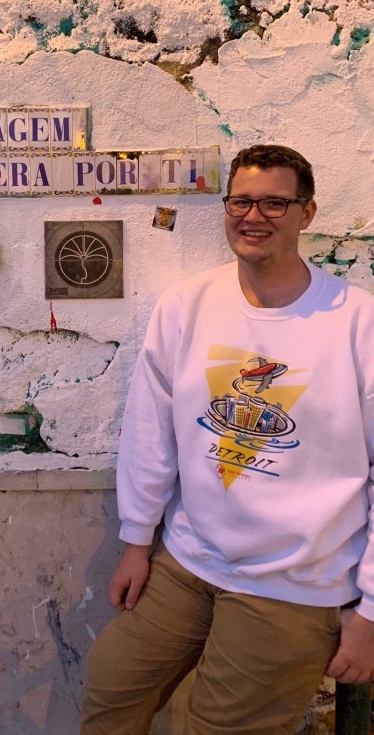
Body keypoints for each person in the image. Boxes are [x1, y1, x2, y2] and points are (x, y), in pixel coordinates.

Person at [80, 144, 374, 735]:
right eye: (241, 200)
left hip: (293, 585)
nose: (253, 216)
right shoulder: (187, 305)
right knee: (109, 690)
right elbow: (150, 430)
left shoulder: (357, 323)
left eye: (274, 202)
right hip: (189, 561)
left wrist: (370, 611)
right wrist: (137, 539)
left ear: (307, 213)